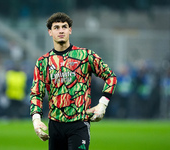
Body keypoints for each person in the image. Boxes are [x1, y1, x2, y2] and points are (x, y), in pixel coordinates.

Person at [30, 12, 117, 150]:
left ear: (70, 30)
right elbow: (36, 93)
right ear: (50, 32)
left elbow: (110, 77)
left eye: (64, 27)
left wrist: (103, 104)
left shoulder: (85, 55)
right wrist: (36, 120)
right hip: (55, 125)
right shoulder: (43, 62)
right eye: (56, 27)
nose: (61, 30)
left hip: (79, 124)